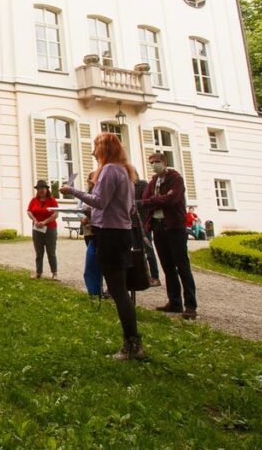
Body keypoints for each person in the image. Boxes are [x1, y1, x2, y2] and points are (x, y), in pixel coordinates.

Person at [61, 132, 145, 361]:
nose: (93, 152)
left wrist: (72, 191)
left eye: (95, 147)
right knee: (120, 291)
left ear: (105, 148)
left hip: (110, 235)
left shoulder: (109, 170)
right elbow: (125, 209)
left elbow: (99, 201)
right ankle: (133, 342)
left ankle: (132, 344)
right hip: (121, 233)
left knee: (118, 291)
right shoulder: (126, 172)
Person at [143, 152, 199, 320]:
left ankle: (190, 305)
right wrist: (158, 198)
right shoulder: (153, 181)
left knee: (182, 266)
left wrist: (155, 200)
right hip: (158, 226)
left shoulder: (176, 179)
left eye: (157, 161)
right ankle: (174, 302)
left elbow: (172, 200)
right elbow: (145, 199)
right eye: (151, 162)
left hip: (174, 227)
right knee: (167, 267)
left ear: (165, 162)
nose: (154, 164)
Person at [26, 179, 59, 280]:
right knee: (39, 252)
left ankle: (54, 273)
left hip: (50, 229)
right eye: (39, 188)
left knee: (51, 252)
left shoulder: (52, 200)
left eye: (43, 188)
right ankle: (38, 273)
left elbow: (56, 214)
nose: (41, 190)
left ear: (47, 189)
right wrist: (35, 220)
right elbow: (29, 211)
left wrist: (44, 222)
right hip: (37, 229)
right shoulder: (34, 200)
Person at [134, 175, 162, 286]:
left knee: (149, 250)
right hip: (132, 223)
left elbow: (146, 201)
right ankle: (143, 277)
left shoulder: (142, 184)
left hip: (143, 222)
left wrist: (134, 202)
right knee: (136, 251)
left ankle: (155, 277)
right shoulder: (127, 186)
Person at [79, 175, 104, 297]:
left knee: (102, 260)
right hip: (88, 230)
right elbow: (80, 209)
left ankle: (105, 288)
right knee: (92, 260)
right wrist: (82, 218)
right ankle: (95, 288)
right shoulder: (86, 194)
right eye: (90, 179)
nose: (91, 181)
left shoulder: (102, 192)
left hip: (99, 231)